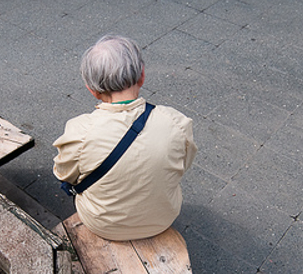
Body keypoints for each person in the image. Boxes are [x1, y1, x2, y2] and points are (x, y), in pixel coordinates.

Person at [52, 35, 197, 241]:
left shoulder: (79, 132)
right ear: (142, 76)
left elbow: (64, 174)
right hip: (162, 219)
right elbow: (183, 164)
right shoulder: (176, 122)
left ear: (92, 89)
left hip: (102, 225)